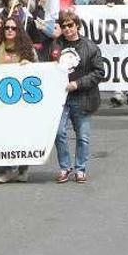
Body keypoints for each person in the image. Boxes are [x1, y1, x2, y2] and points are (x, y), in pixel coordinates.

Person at [47, 11, 104, 183]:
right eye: (63, 26)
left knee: (83, 136)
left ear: (77, 25)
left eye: (70, 25)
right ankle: (65, 167)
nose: (67, 29)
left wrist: (78, 84)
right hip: (61, 97)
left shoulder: (90, 46)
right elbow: (47, 66)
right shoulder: (56, 45)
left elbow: (99, 72)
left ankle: (80, 169)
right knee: (58, 133)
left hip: (83, 96)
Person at [0, 16, 38, 184]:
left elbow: (39, 73)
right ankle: (8, 169)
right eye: (7, 28)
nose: (10, 30)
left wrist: (30, 66)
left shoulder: (27, 49)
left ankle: (23, 168)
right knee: (5, 135)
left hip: (22, 102)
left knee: (22, 134)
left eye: (13, 28)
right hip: (1, 101)